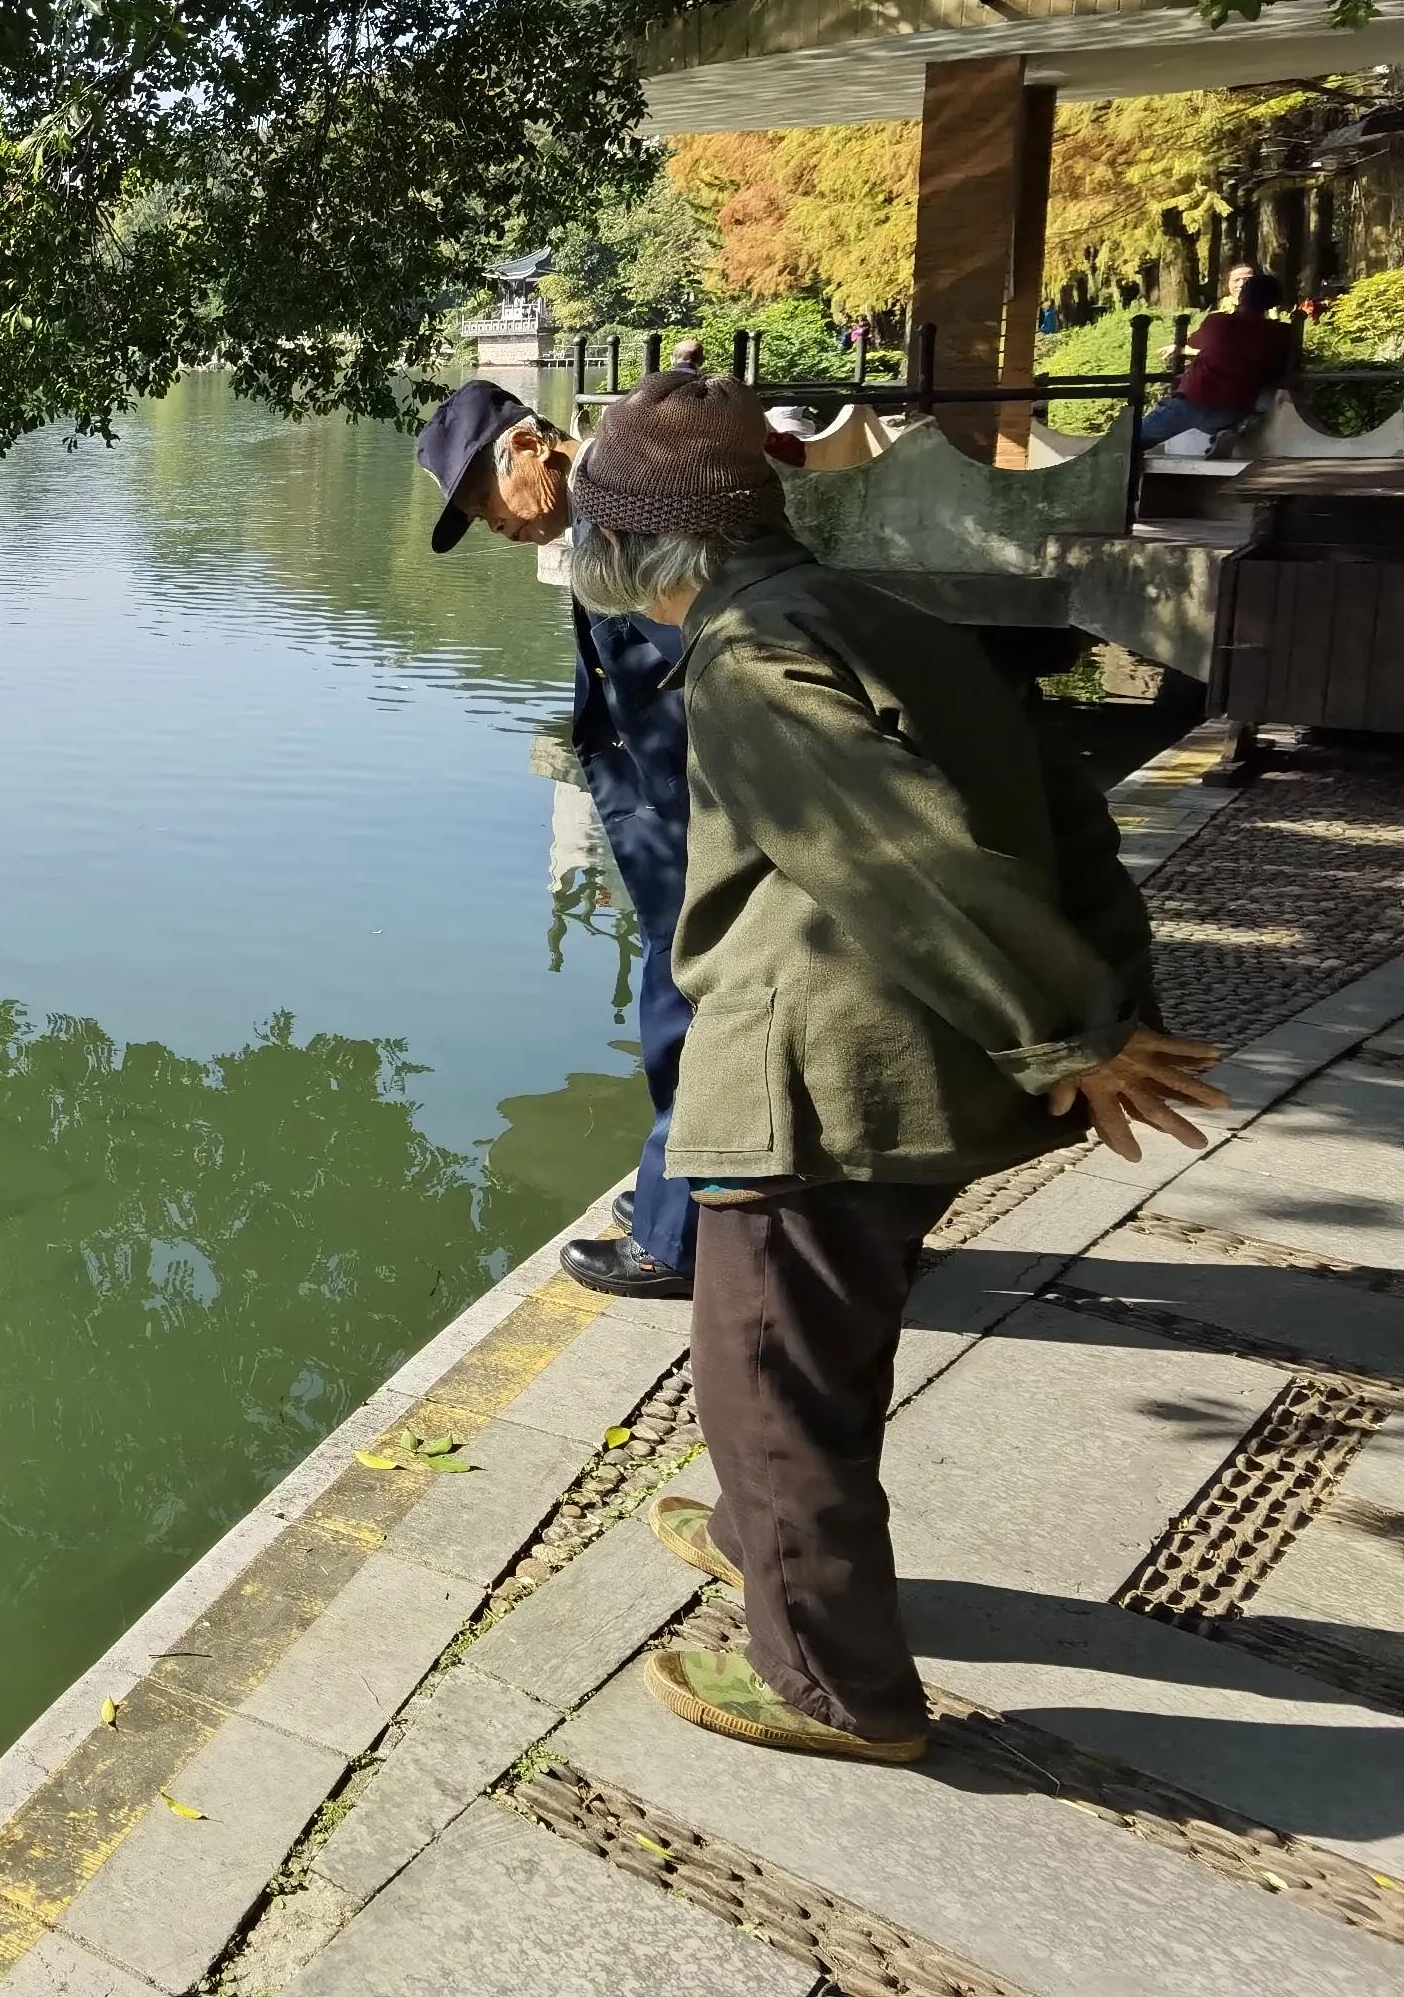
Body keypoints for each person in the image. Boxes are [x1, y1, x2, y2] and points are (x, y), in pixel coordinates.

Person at [564, 371, 1221, 1762]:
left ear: (640, 543)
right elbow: (1068, 812)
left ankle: (829, 1683)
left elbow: (892, 856)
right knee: (820, 1335)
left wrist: (1081, 1035)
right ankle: (758, 1534)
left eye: (593, 531)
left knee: (766, 1368)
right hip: (909, 1075)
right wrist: (1105, 999)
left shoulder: (747, 658)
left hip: (819, 1080)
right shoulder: (876, 613)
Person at [416, 379, 696, 1299]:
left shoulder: (636, 518)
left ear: (531, 448)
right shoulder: (605, 522)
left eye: (481, 501)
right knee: (678, 994)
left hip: (700, 808)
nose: (492, 527)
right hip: (659, 809)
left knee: (688, 1009)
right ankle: (677, 1190)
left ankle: (679, 1234)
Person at [1136, 269, 1293, 457]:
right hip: (1236, 407)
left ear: (1242, 296)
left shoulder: (1218, 322)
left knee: (1131, 441)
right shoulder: (1283, 333)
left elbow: (1193, 343)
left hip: (1193, 399)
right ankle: (1225, 432)